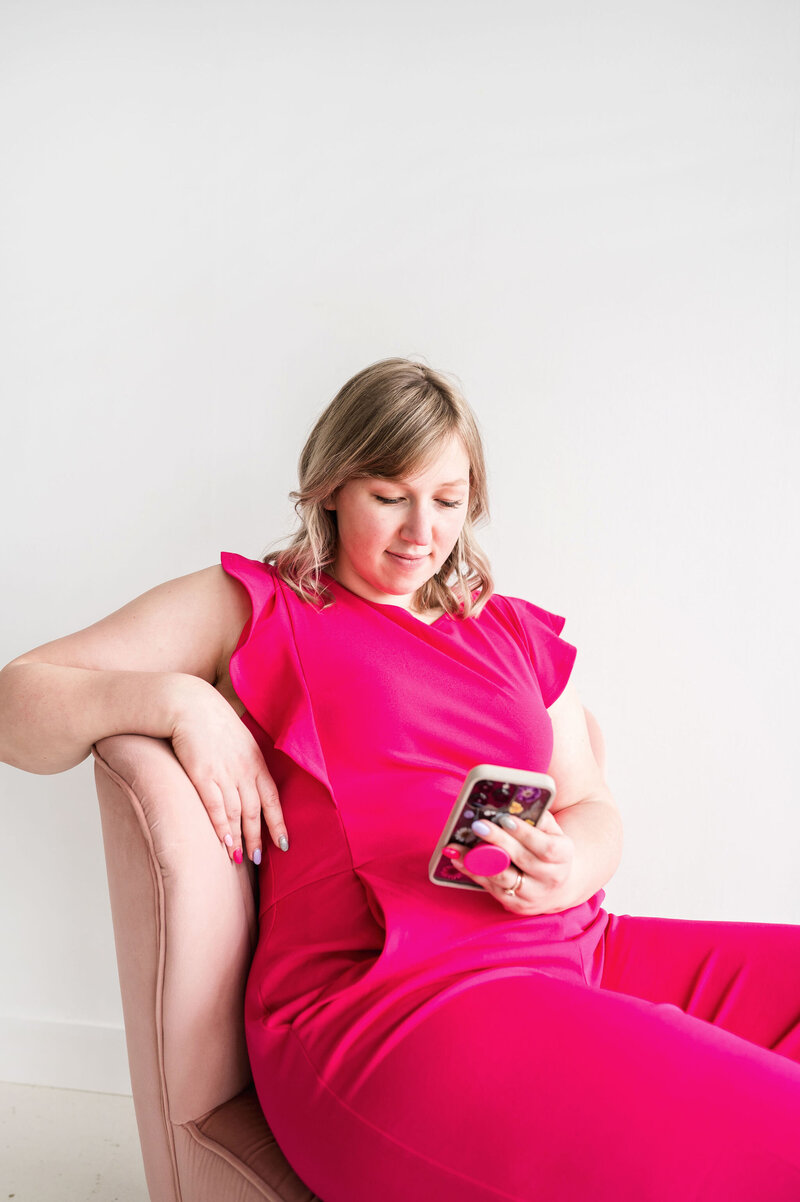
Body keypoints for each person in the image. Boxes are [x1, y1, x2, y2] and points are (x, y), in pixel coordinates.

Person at [2, 356, 799, 1202]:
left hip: (581, 951)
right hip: (401, 1007)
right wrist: (179, 702)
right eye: (391, 495)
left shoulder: (508, 630)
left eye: (448, 502)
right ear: (332, 489)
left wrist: (572, 863)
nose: (423, 530)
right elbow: (18, 701)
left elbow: (591, 802)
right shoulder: (261, 605)